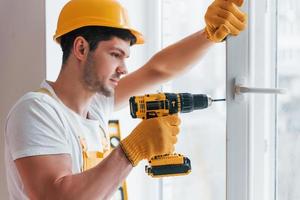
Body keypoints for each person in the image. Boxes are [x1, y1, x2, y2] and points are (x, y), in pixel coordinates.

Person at [4, 0, 246, 199]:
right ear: (81, 49)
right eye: (115, 55)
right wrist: (131, 150)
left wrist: (209, 36)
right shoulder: (36, 110)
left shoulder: (96, 107)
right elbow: (57, 197)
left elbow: (158, 70)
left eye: (125, 57)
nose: (123, 69)